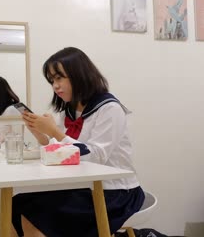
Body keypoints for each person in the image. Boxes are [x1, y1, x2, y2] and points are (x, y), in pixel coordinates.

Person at [12, 47, 145, 237]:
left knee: (37, 213)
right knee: (16, 205)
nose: (55, 86)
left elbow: (95, 157)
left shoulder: (109, 108)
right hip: (82, 187)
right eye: (52, 80)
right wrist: (41, 134)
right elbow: (60, 151)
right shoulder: (69, 110)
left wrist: (53, 131)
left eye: (59, 78)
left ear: (79, 75)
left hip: (116, 191)